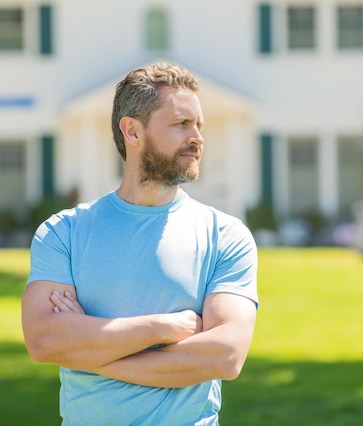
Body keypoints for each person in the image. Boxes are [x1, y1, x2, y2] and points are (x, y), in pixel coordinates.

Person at [21, 62, 258, 425]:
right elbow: (43, 341)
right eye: (181, 124)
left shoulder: (226, 235)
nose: (197, 137)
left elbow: (224, 356)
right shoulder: (63, 232)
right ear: (132, 131)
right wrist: (164, 327)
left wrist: (91, 354)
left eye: (199, 125)